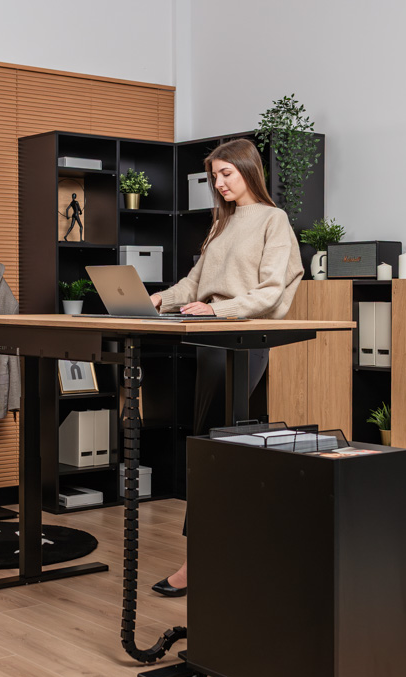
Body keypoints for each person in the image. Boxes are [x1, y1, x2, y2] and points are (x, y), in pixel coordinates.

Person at [149, 137, 303, 597]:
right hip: (209, 341)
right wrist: (158, 299)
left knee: (212, 449)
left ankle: (197, 563)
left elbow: (271, 291)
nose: (218, 183)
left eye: (226, 173)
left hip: (241, 340)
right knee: (211, 447)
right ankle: (224, 555)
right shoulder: (221, 223)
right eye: (214, 176)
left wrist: (217, 310)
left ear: (249, 170)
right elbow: (194, 283)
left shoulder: (273, 220)